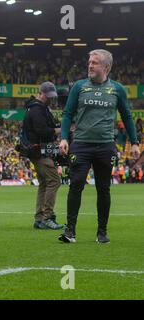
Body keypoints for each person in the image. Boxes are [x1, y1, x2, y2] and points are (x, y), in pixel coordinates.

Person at [58, 49, 140, 244]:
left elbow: (127, 116)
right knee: (75, 185)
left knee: (103, 189)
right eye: (89, 62)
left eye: (94, 62)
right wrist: (63, 138)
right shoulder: (79, 87)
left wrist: (134, 142)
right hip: (81, 145)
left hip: (105, 146)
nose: (90, 65)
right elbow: (68, 113)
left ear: (106, 67)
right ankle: (70, 231)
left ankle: (102, 232)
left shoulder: (117, 89)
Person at [22, 81, 64, 230]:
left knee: (45, 183)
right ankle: (47, 217)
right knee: (54, 181)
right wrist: (60, 130)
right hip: (39, 151)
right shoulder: (37, 110)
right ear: (41, 93)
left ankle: (40, 218)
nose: (50, 99)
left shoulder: (37, 108)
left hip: (37, 151)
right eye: (48, 96)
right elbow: (43, 131)